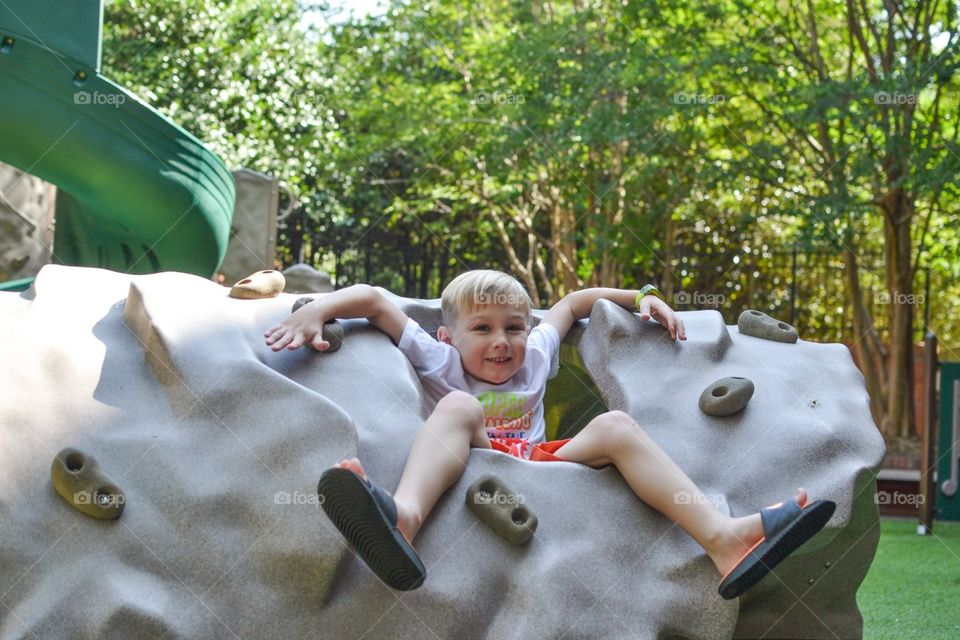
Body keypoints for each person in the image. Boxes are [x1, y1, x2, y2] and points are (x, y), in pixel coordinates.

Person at [264, 270, 834, 598]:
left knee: (615, 425)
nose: (502, 341)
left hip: (542, 460)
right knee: (460, 406)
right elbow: (372, 300)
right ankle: (403, 521)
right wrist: (316, 310)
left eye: (514, 327)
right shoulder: (440, 361)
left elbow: (576, 301)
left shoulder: (537, 353)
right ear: (449, 334)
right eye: (482, 329)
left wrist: (643, 299)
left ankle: (724, 539)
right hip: (480, 455)